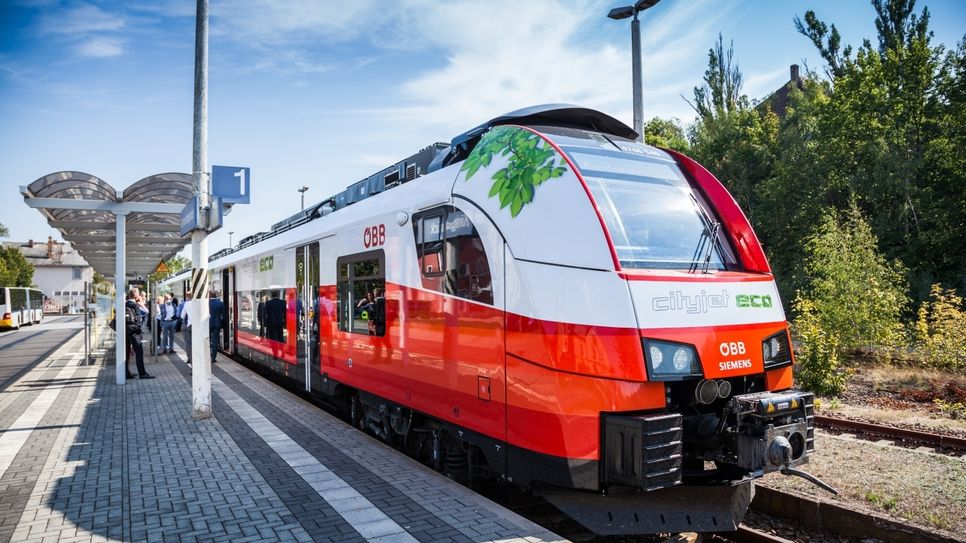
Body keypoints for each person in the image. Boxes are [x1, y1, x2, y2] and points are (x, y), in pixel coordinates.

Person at [124, 290, 154, 379]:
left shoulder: (124, 304)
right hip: (134, 333)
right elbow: (146, 312)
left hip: (125, 331)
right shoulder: (135, 305)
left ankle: (126, 373)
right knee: (139, 353)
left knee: (126, 353)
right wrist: (141, 303)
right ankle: (142, 373)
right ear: (137, 297)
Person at [265, 290, 287, 357]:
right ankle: (282, 352)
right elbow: (285, 313)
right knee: (280, 338)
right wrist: (285, 322)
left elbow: (266, 314)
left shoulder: (268, 303)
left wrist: (266, 323)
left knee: (273, 339)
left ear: (272, 295)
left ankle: (275, 354)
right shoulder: (283, 302)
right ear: (277, 295)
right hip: (280, 323)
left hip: (271, 323)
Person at [209, 291, 227, 363]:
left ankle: (207, 355)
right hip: (217, 324)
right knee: (215, 341)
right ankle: (213, 358)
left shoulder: (206, 303)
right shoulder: (220, 303)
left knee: (207, 340)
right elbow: (224, 316)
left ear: (209, 296)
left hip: (208, 324)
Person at [180, 292, 192, 364]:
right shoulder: (200, 303)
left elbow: (182, 316)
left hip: (188, 325)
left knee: (188, 343)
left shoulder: (186, 304)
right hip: (197, 326)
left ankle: (190, 358)